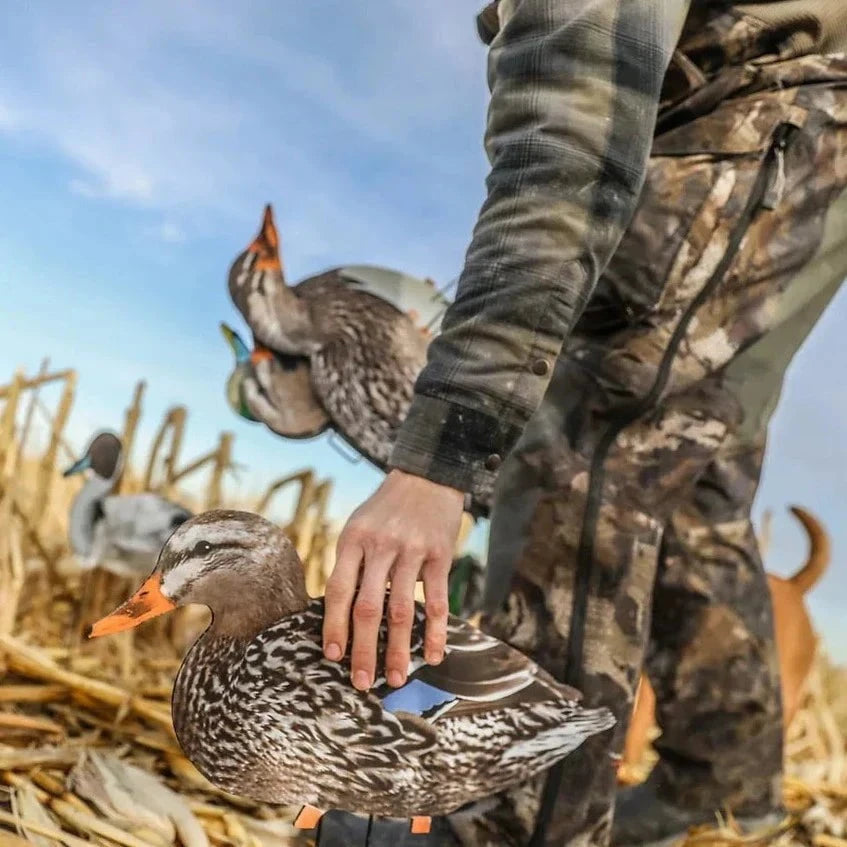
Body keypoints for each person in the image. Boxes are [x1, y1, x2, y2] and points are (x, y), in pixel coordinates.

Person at [321, 1, 847, 845]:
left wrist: (436, 461)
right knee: (691, 461)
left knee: (585, 437)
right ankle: (721, 793)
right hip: (809, 137)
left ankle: (510, 818)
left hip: (761, 120)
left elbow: (566, 161)